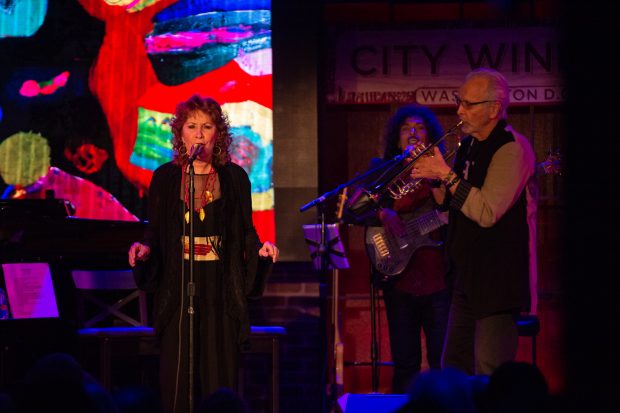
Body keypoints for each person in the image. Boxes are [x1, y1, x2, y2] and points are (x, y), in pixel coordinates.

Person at [128, 94, 279, 413]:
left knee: (217, 371)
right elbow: (154, 231)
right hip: (179, 285)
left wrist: (261, 253)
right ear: (180, 133)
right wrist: (144, 249)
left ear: (217, 134)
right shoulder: (166, 178)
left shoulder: (235, 177)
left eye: (206, 126)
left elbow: (245, 232)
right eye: (192, 126)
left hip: (219, 288)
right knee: (178, 375)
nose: (199, 133)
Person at [411, 68, 537, 376]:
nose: (459, 110)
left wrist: (446, 174)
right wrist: (435, 182)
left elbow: (487, 211)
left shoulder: (512, 148)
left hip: (496, 282)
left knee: (488, 371)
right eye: (459, 101)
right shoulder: (469, 145)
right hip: (466, 277)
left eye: (469, 104)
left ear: (494, 108)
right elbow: (454, 205)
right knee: (454, 367)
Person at [352, 104, 451, 394]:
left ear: (430, 136)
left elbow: (455, 210)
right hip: (399, 279)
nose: (413, 132)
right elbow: (353, 209)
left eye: (419, 127)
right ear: (396, 138)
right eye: (406, 128)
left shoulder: (444, 170)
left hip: (438, 281)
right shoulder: (382, 171)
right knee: (405, 363)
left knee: (441, 361)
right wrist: (383, 214)